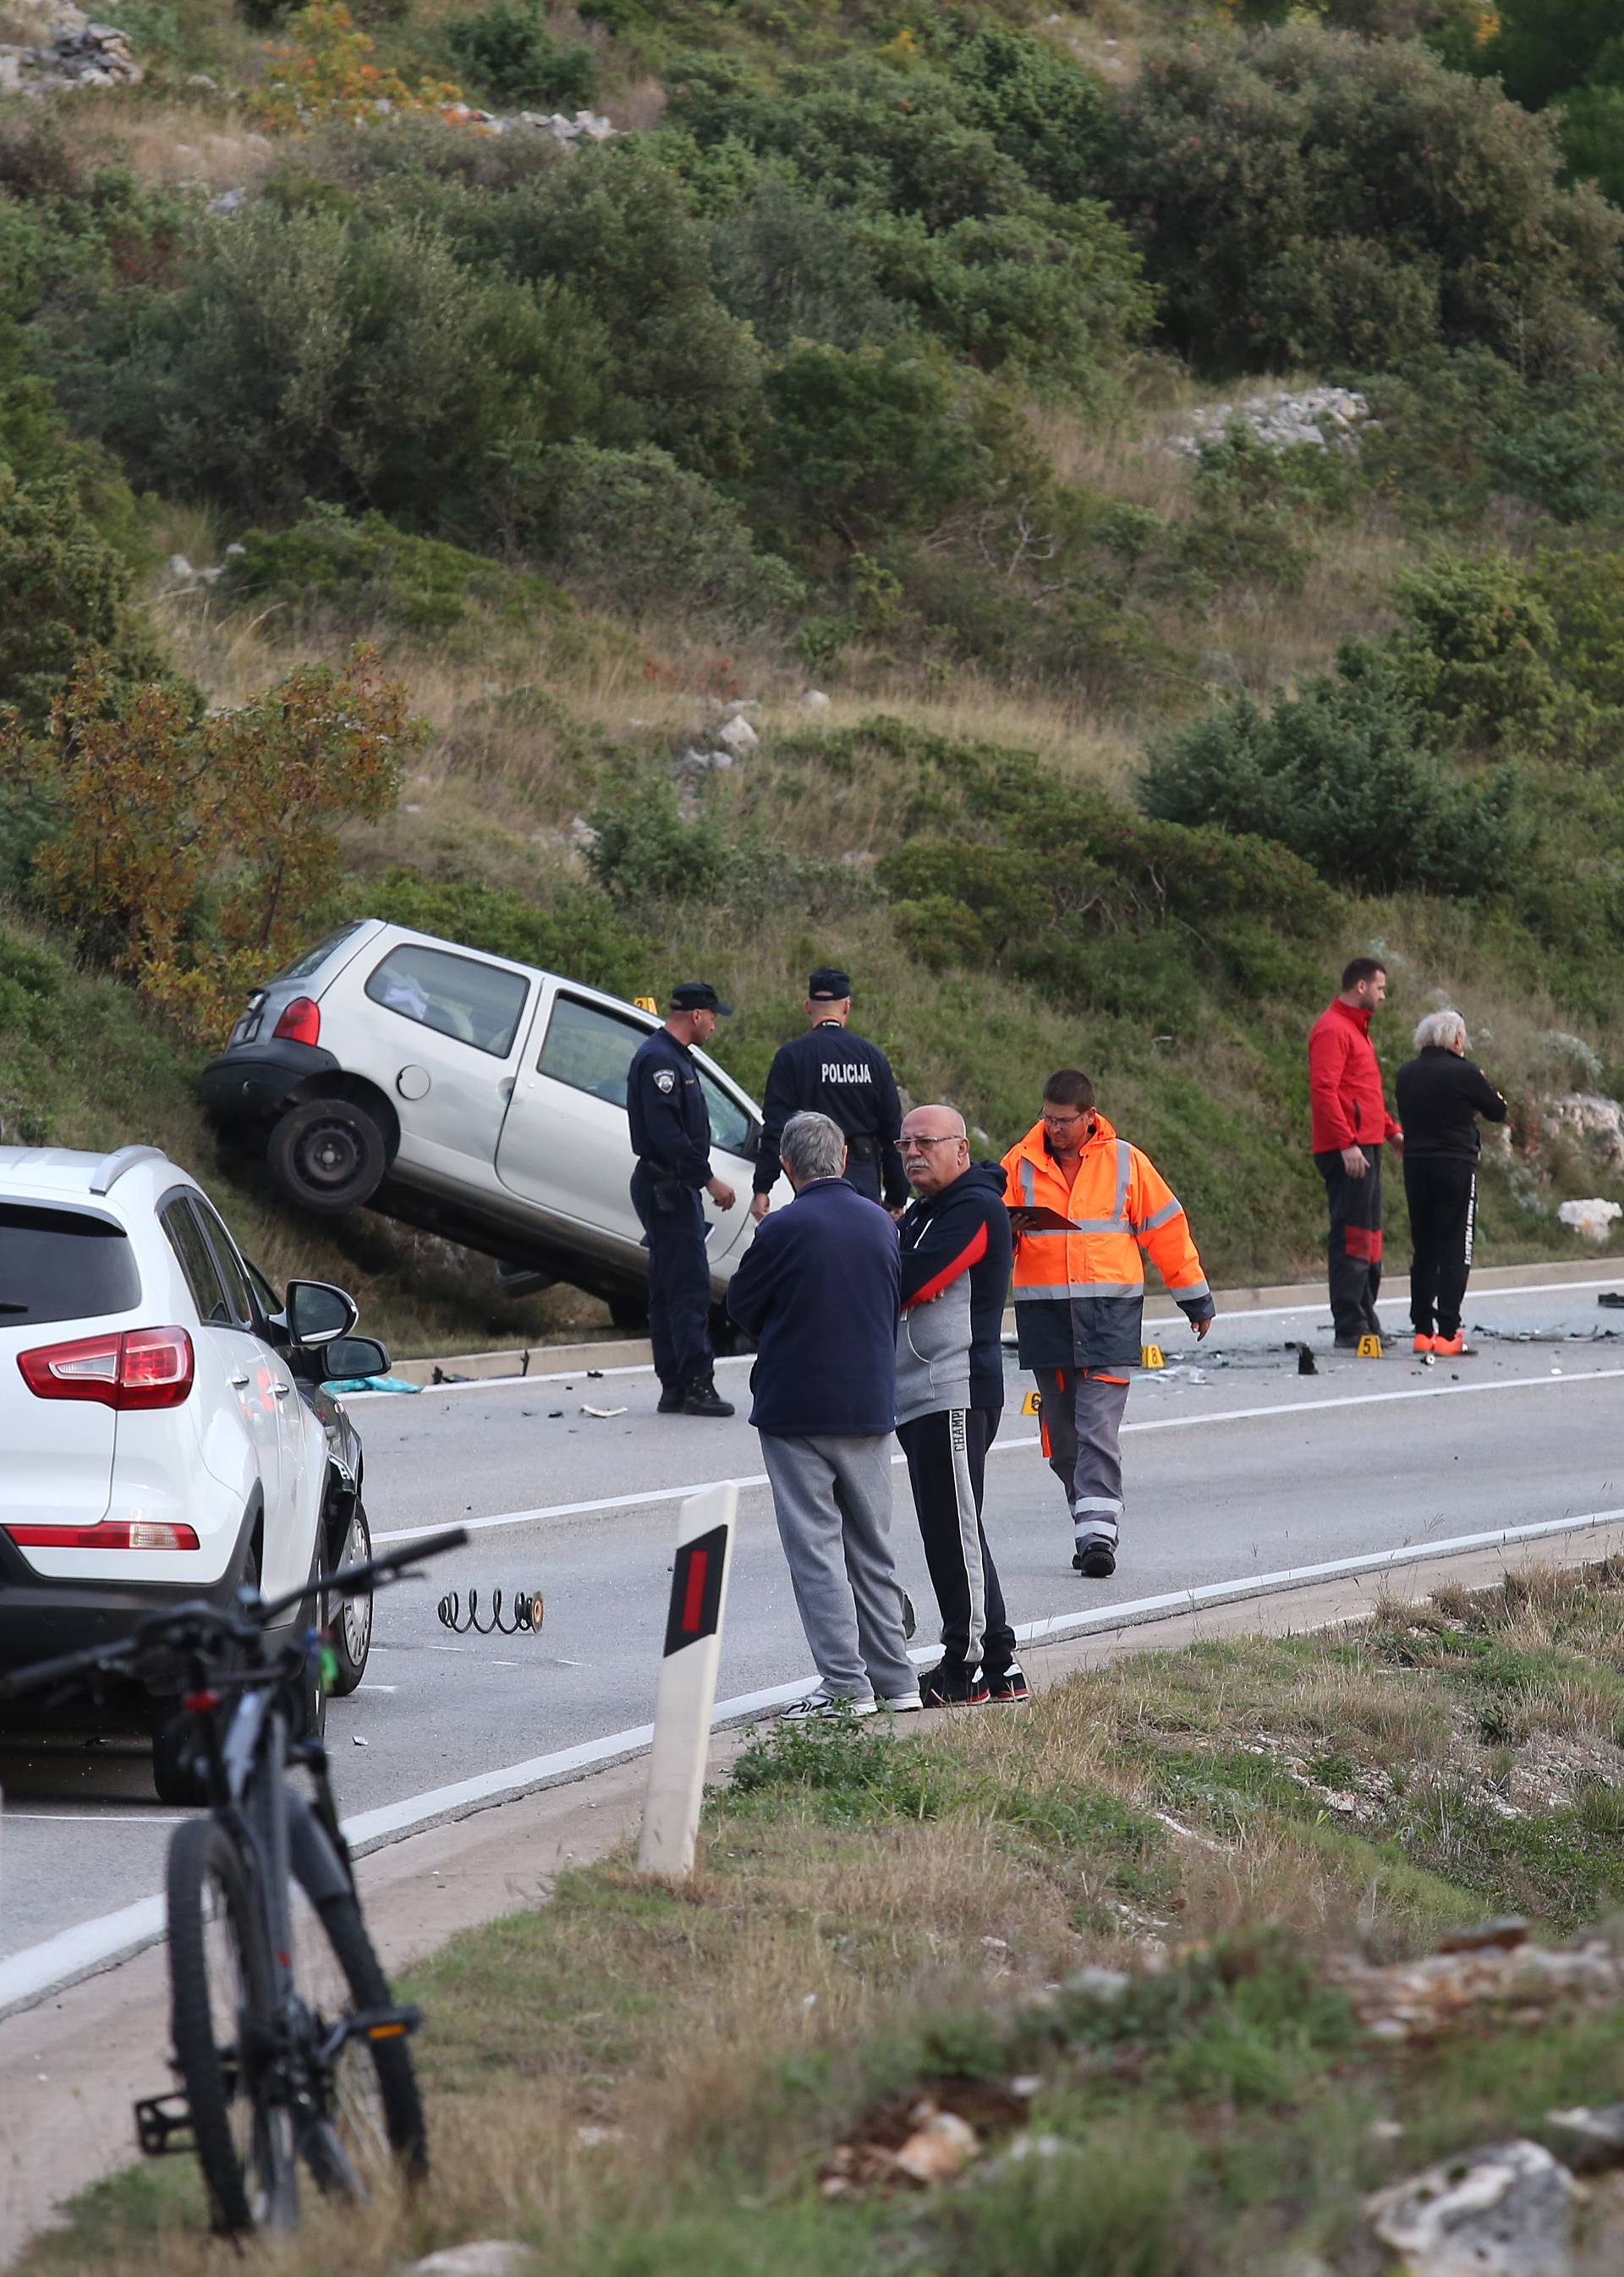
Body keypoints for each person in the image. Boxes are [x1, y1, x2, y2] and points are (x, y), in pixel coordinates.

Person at [726, 1110, 919, 1719]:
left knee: (816, 1547)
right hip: (868, 1402)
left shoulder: (782, 1228)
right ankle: (898, 1679)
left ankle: (843, 1683)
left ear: (787, 1166)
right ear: (840, 1160)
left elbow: (742, 1305)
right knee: (872, 1546)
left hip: (796, 1405)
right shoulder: (881, 1224)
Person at [1002, 1070, 1214, 1579]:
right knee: (1062, 1437)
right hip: (1047, 1319)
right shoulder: (1018, 1164)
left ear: (1089, 1117)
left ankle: (1098, 1535)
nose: (1053, 1128)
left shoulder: (1127, 1163)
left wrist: (1195, 1297)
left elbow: (1167, 1231)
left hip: (1110, 1320)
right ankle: (1087, 1518)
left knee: (1097, 1428)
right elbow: (994, 1241)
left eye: (1064, 1121)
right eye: (1047, 1118)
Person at [895, 1106, 1028, 1707]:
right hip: (919, 1390)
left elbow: (914, 1279)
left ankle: (963, 1668)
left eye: (925, 1142)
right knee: (956, 1529)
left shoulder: (975, 1207)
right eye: (904, 1144)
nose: (913, 1153)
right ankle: (1001, 1666)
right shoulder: (923, 1212)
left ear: (960, 1149)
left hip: (955, 1388)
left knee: (954, 1534)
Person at [626, 981, 738, 1418]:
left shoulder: (671, 1057)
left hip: (668, 1185)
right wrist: (708, 1180)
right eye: (712, 1017)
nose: (714, 1024)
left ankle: (673, 1384)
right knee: (688, 1286)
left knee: (669, 1286)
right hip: (668, 1187)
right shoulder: (661, 1061)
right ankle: (695, 1384)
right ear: (695, 1015)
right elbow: (666, 1134)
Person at [750, 968, 908, 1218]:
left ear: (807, 1007)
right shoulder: (872, 1058)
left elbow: (775, 1127)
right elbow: (893, 1131)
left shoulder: (792, 1057)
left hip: (811, 1176)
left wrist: (762, 1187)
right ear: (847, 1006)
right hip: (862, 1179)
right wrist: (897, 1195)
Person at [1395, 1008, 1507, 1358]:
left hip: (1416, 1165)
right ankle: (1448, 1333)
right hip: (1455, 1165)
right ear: (1456, 1039)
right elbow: (1498, 1111)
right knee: (1457, 1246)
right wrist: (1483, 1084)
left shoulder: (1406, 1073)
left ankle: (1421, 1330)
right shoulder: (1466, 1072)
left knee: (1424, 1247)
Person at [1309, 957, 1403, 1350]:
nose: (1383, 995)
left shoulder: (1358, 1030)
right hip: (1347, 1148)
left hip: (1367, 1144)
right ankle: (1349, 1323)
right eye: (1380, 987)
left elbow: (1363, 1093)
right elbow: (1325, 1091)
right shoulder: (1333, 1029)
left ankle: (1366, 1316)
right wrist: (1347, 1143)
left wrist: (1391, 1131)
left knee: (1369, 1236)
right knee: (1351, 1236)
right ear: (1360, 986)